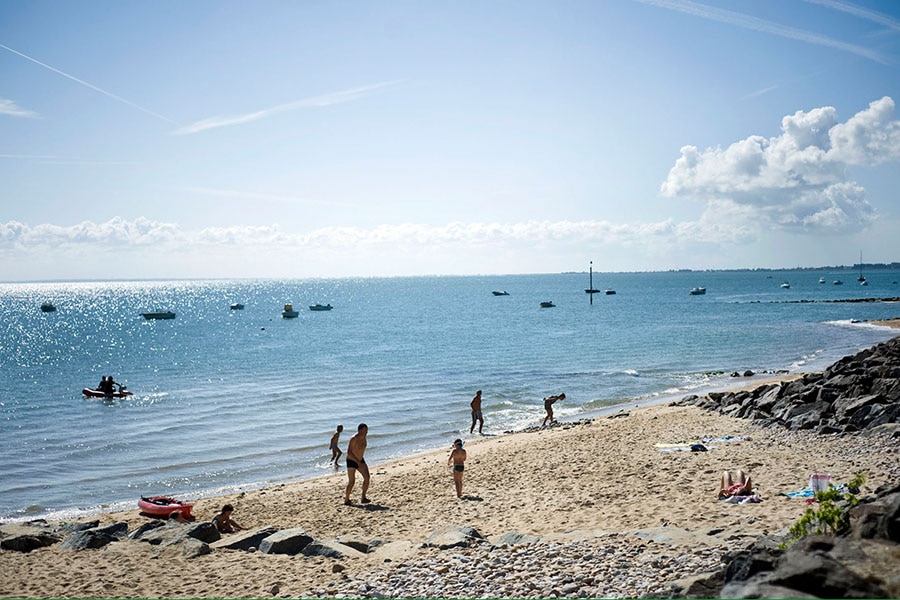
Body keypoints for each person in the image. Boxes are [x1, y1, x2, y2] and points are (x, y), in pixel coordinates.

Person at [344, 423, 371, 506]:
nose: (366, 432)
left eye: (367, 431)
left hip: (360, 460)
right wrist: (357, 462)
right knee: (352, 482)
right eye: (364, 431)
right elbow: (349, 453)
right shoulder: (353, 438)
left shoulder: (364, 437)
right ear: (359, 430)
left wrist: (360, 461)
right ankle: (347, 499)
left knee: (367, 477)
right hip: (351, 461)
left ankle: (363, 497)